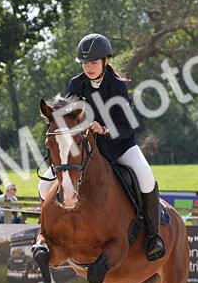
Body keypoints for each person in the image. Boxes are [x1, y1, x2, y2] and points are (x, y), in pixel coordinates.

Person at [43, 33, 165, 260]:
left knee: (146, 178)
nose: (88, 67)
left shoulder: (117, 86)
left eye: (93, 63)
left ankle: (153, 237)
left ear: (105, 61)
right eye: (85, 63)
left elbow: (126, 126)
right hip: (84, 151)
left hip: (118, 146)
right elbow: (68, 119)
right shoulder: (75, 84)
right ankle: (47, 232)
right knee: (43, 186)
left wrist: (104, 129)